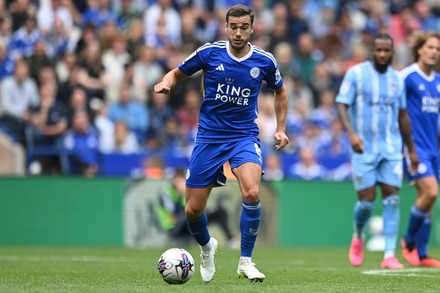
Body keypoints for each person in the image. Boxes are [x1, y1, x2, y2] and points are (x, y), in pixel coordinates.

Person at [154, 5, 289, 282]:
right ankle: (206, 247)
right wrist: (166, 83)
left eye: (244, 27)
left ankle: (246, 261)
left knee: (252, 192)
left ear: (252, 28)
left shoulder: (264, 60)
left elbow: (281, 91)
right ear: (226, 27)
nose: (238, 32)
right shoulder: (209, 52)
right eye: (233, 27)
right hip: (210, 137)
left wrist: (281, 129)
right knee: (192, 210)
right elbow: (176, 73)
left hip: (243, 136)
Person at [336, 33, 419, 269]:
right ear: (372, 51)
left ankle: (389, 255)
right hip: (363, 148)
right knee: (366, 203)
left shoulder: (397, 79)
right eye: (379, 50)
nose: (383, 54)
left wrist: (411, 149)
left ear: (393, 52)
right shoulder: (357, 73)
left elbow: (402, 115)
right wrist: (351, 134)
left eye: (387, 50)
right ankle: (359, 235)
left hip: (392, 149)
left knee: (392, 199)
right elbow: (342, 104)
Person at [400, 31, 440, 268]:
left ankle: (422, 255)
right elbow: (397, 109)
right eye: (431, 47)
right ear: (420, 50)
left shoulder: (437, 82)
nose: (434, 52)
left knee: (428, 201)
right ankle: (409, 240)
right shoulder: (408, 77)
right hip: (414, 148)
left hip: (434, 149)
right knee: (431, 193)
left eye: (437, 49)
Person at [156, 169, 236, 247]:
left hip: (187, 221)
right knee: (191, 215)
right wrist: (181, 194)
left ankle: (230, 241)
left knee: (219, 213)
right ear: (174, 179)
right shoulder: (166, 193)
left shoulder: (187, 190)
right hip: (174, 226)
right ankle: (205, 242)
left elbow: (192, 207)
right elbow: (173, 214)